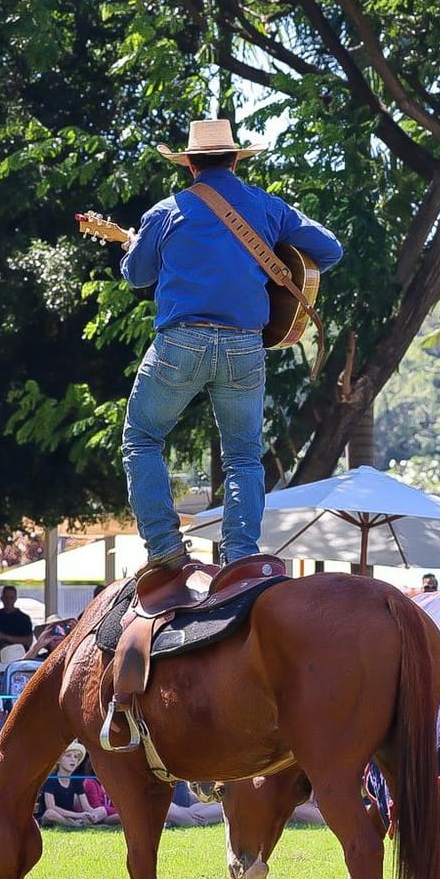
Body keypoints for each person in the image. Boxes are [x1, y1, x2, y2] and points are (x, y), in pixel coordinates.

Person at [118, 118, 344, 570]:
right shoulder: (267, 207)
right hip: (245, 346)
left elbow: (137, 276)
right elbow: (331, 250)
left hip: (181, 341)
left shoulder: (166, 212)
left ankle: (164, 547)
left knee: (141, 439)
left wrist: (134, 248)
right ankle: (241, 556)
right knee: (243, 456)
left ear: (190, 166)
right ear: (236, 159)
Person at [40, 741, 109, 826]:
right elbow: (51, 807)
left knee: (102, 810)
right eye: (68, 756)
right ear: (59, 760)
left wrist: (93, 815)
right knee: (49, 814)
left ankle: (85, 822)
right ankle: (75, 825)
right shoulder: (51, 780)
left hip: (70, 816)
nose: (73, 759)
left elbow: (86, 807)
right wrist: (78, 815)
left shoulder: (76, 781)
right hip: (55, 816)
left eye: (76, 757)